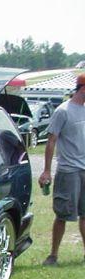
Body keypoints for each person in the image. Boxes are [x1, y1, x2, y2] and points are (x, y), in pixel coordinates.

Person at [39, 73, 85, 266]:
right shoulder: (63, 111)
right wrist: (46, 171)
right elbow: (51, 141)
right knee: (62, 214)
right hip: (68, 170)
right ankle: (53, 255)